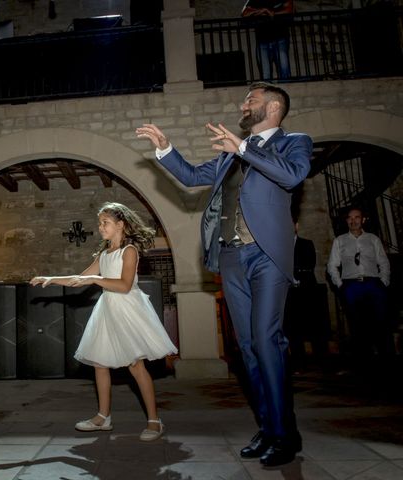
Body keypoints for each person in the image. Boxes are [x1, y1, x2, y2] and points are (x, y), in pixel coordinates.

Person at [136, 81, 312, 466]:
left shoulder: (294, 142)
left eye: (251, 99)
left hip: (266, 255)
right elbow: (191, 175)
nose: (242, 104)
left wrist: (244, 147)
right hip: (231, 257)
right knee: (246, 347)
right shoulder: (231, 157)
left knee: (267, 341)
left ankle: (286, 434)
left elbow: (293, 176)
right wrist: (165, 148)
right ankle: (268, 429)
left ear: (274, 107)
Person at [30, 202, 177, 442]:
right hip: (108, 309)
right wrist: (52, 278)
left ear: (121, 225)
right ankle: (103, 417)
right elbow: (81, 278)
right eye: (99, 223)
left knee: (135, 366)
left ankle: (154, 420)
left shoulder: (129, 251)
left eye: (105, 222)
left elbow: (124, 285)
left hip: (128, 309)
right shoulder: (104, 254)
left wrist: (96, 281)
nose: (100, 227)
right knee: (100, 363)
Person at [326, 206, 392, 372]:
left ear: (363, 220)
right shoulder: (339, 241)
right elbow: (332, 265)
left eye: (357, 217)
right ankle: (364, 365)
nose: (353, 220)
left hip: (373, 284)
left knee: (380, 323)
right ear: (346, 220)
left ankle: (387, 363)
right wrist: (341, 285)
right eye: (350, 217)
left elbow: (383, 262)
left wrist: (383, 282)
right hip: (351, 285)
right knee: (357, 325)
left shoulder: (373, 239)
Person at [283, 223, 328, 373]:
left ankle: (322, 362)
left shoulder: (306, 243)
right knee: (293, 329)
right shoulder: (280, 246)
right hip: (290, 292)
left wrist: (296, 274)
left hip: (307, 290)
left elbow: (310, 264)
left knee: (315, 327)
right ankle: (299, 363)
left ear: (296, 226)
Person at [242, 0, 294, 81]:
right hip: (262, 40)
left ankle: (285, 91)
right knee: (265, 73)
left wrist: (272, 12)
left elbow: (289, 10)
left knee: (284, 68)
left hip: (280, 38)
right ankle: (267, 92)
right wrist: (263, 11)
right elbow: (244, 13)